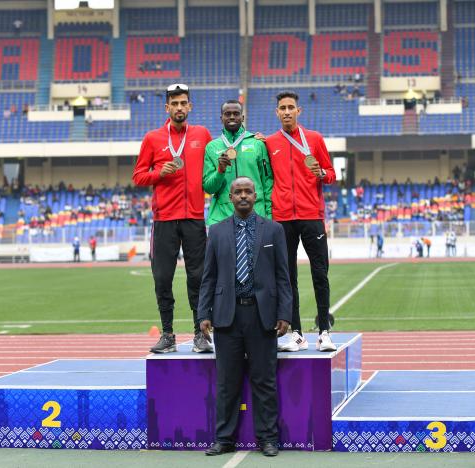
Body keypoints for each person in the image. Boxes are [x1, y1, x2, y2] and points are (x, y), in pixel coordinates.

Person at [198, 177, 291, 458]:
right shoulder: (215, 232)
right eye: (237, 192)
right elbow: (208, 277)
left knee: (264, 381)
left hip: (262, 315)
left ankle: (268, 439)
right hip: (227, 315)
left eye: (247, 191)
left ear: (256, 195)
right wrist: (204, 313)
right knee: (227, 382)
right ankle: (224, 438)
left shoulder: (273, 230)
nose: (242, 196)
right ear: (229, 197)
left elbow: (283, 276)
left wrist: (285, 313)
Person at [132, 83, 212, 353]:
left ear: (190, 106)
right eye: (174, 104)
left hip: (193, 218)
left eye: (183, 103)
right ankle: (167, 334)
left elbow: (217, 160)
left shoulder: (202, 134)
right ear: (167, 108)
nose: (179, 107)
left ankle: (200, 333)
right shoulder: (152, 139)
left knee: (198, 277)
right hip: (164, 219)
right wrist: (159, 173)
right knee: (162, 277)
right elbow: (139, 176)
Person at [264, 91, 337, 352]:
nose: (286, 111)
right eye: (282, 107)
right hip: (283, 217)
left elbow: (331, 174)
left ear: (299, 111)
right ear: (277, 112)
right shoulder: (270, 142)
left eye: (290, 107)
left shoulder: (315, 139)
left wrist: (322, 173)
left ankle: (325, 332)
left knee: (320, 273)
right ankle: (296, 334)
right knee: (287, 277)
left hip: (311, 215)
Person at [203, 100, 272, 225]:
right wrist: (220, 171)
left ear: (242, 117)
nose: (232, 117)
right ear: (221, 118)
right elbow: (209, 188)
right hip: (223, 216)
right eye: (227, 114)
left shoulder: (257, 144)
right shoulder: (211, 147)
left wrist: (270, 215)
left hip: (256, 214)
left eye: (236, 113)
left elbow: (267, 183)